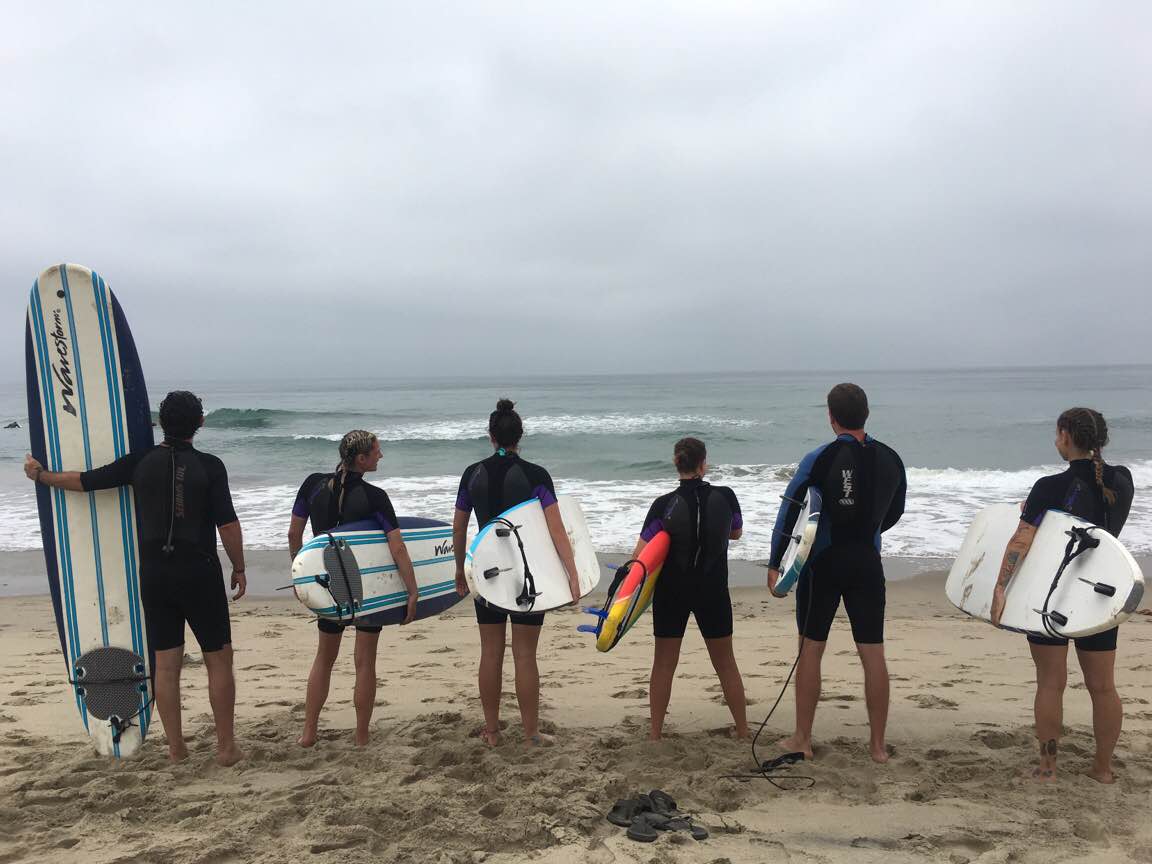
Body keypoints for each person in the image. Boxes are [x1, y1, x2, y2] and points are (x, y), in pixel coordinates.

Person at [25, 390, 246, 766]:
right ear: (201, 423)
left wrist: (42, 476)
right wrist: (239, 567)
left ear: (161, 422)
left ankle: (177, 749)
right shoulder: (211, 466)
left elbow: (86, 481)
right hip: (200, 573)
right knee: (219, 659)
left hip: (156, 575)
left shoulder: (140, 462)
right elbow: (227, 524)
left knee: (166, 662)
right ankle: (226, 748)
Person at [990, 408, 1134, 783]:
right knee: (1103, 686)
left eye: (1057, 434)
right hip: (1100, 596)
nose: (1056, 440)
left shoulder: (1048, 487)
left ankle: (1048, 767)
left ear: (1066, 435)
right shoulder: (1122, 480)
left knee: (1050, 683)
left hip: (1049, 595)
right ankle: (1102, 769)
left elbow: (1021, 541)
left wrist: (1000, 587)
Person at [766, 383, 906, 763]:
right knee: (873, 653)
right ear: (867, 414)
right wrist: (868, 528)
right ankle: (877, 748)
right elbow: (895, 511)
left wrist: (777, 562)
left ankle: (802, 739)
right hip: (867, 563)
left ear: (831, 416)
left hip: (822, 562)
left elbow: (792, 508)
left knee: (810, 649)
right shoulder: (891, 459)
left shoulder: (821, 457)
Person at [452, 399, 580, 746]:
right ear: (519, 436)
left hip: (486, 574)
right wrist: (572, 574)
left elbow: (460, 528)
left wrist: (461, 571)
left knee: (490, 651)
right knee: (525, 654)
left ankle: (492, 732)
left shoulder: (472, 474)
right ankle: (530, 733)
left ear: (491, 436)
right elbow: (556, 531)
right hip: (526, 575)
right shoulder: (536, 475)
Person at [288, 430, 419, 747]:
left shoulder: (312, 486)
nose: (381, 456)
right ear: (361, 459)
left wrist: (301, 575)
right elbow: (397, 548)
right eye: (376, 451)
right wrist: (412, 592)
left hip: (328, 586)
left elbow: (294, 534)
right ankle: (361, 736)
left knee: (324, 658)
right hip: (367, 592)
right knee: (365, 662)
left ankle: (309, 733)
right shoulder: (375, 498)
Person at [633, 437, 747, 741]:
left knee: (664, 663)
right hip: (713, 589)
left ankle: (655, 733)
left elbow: (640, 558)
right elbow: (736, 532)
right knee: (725, 662)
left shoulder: (663, 505)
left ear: (676, 463)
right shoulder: (726, 497)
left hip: (673, 591)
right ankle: (743, 730)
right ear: (703, 463)